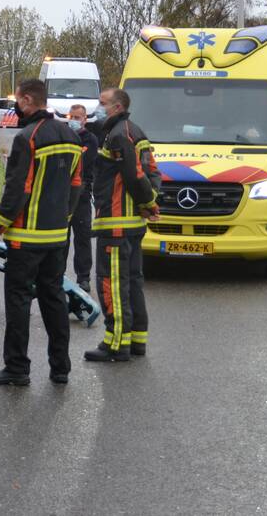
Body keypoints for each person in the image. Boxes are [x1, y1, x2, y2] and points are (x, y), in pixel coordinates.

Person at [0, 79, 83, 386]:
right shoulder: (70, 135)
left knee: (18, 300)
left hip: (26, 238)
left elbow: (17, 190)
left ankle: (17, 368)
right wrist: (64, 218)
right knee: (53, 299)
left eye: (19, 101)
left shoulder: (28, 137)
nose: (17, 107)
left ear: (28, 100)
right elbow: (77, 185)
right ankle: (60, 368)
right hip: (57, 237)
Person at [85, 88, 160, 363]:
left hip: (116, 223)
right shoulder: (134, 130)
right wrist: (150, 201)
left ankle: (115, 343)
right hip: (132, 224)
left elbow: (134, 174)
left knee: (113, 283)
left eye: (103, 103)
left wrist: (149, 203)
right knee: (132, 282)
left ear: (116, 107)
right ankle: (136, 339)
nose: (98, 106)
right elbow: (153, 171)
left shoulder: (118, 135)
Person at [65, 104, 98, 292]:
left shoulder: (90, 140)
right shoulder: (64, 136)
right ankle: (57, 275)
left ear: (85, 119)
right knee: (62, 238)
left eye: (79, 117)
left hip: (82, 195)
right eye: (73, 116)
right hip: (63, 195)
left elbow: (85, 163)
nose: (75, 120)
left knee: (83, 237)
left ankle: (83, 278)